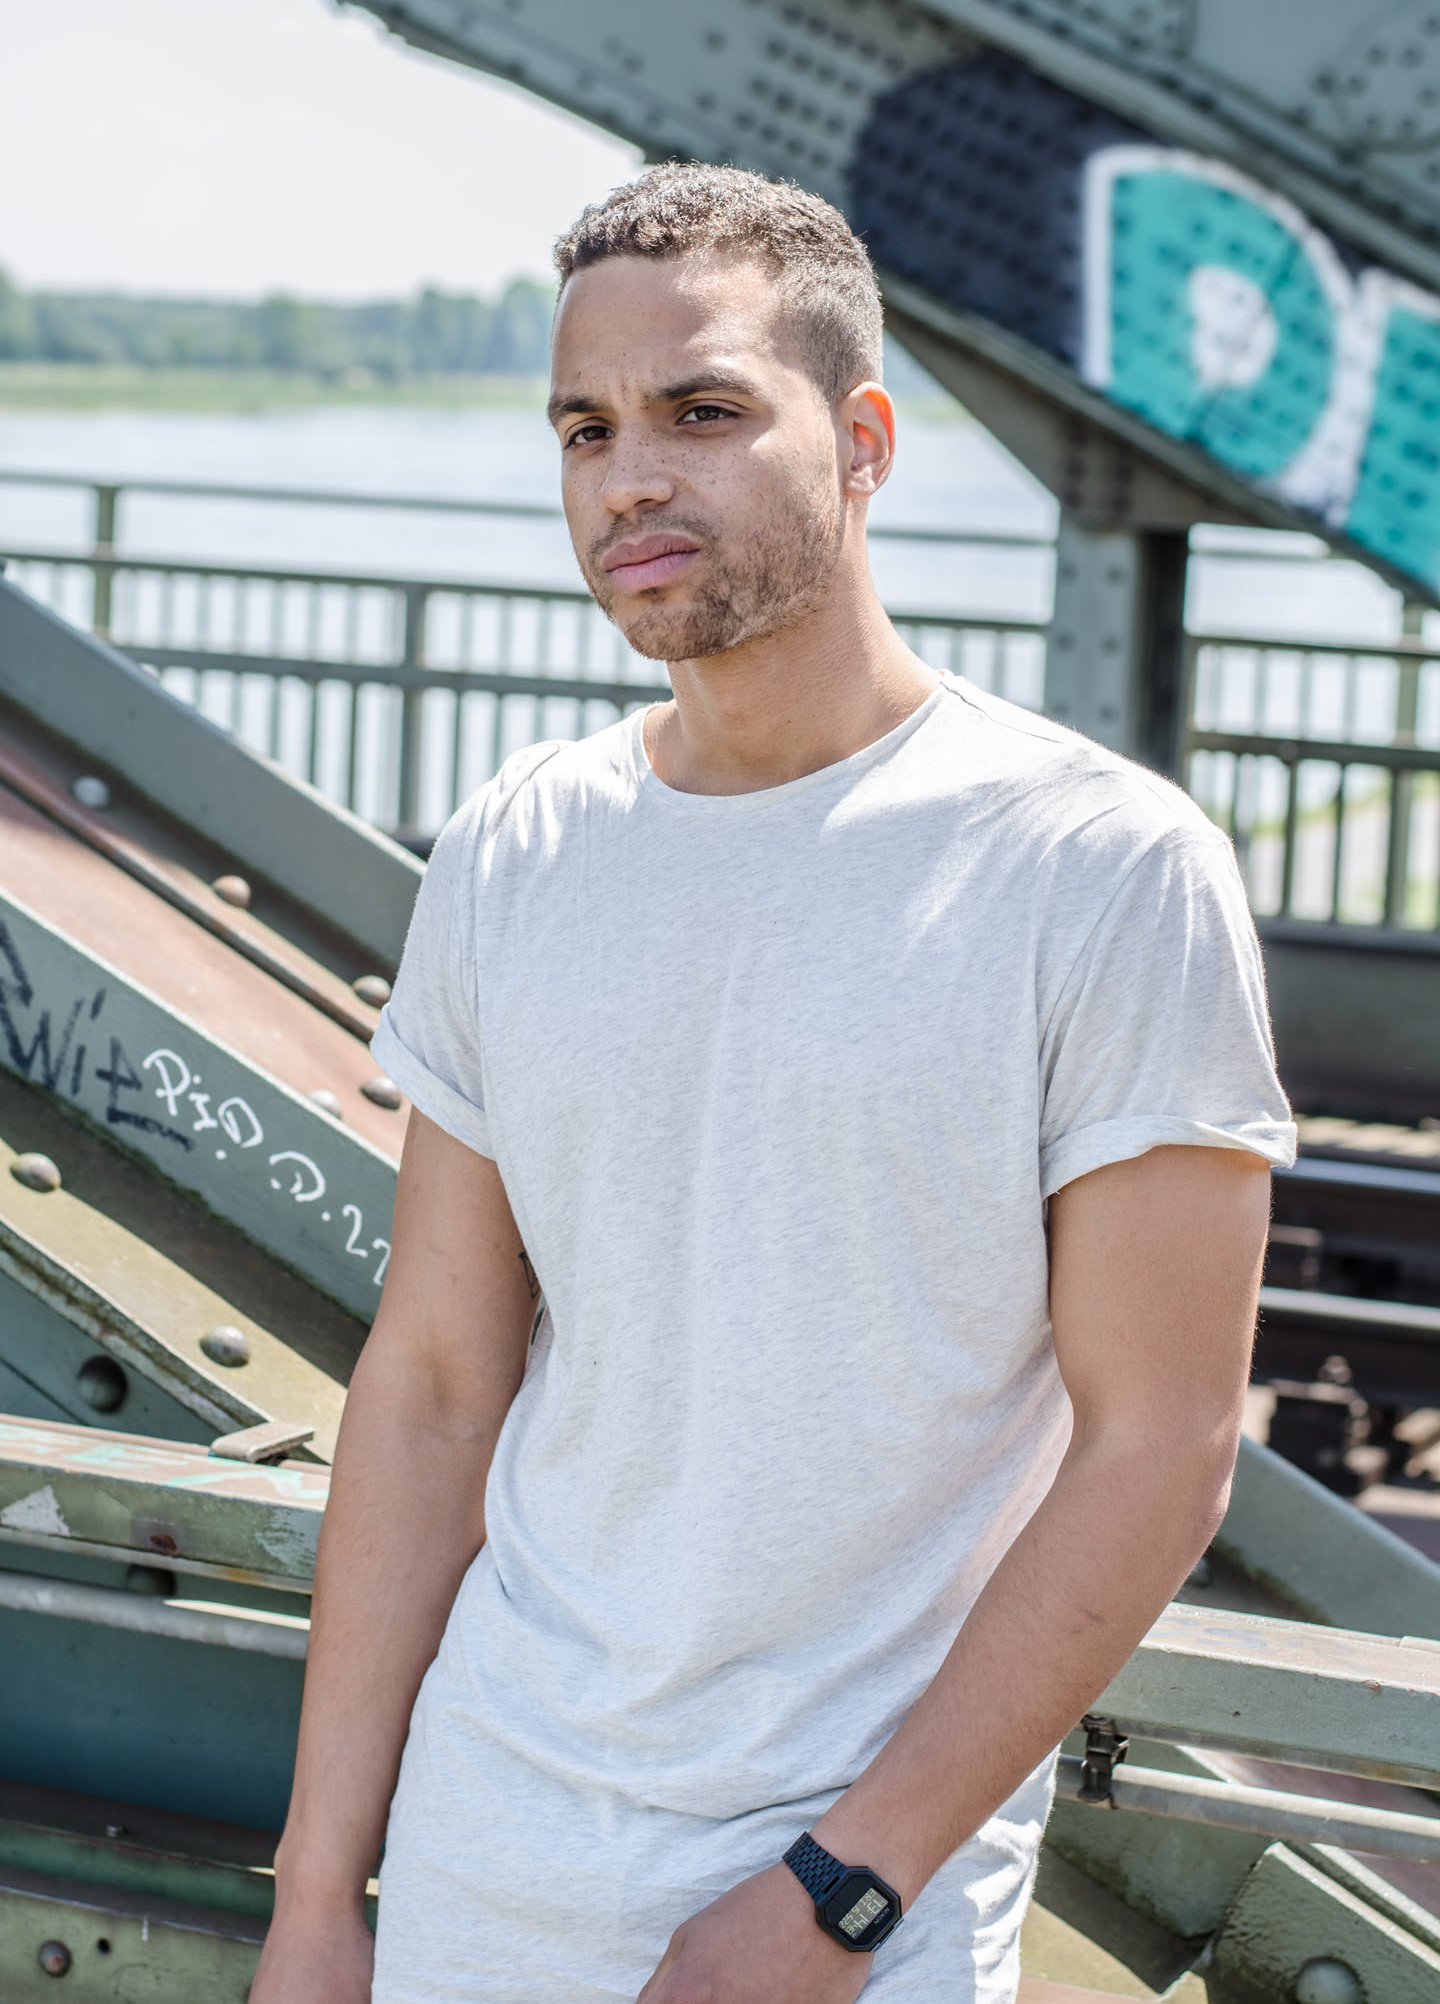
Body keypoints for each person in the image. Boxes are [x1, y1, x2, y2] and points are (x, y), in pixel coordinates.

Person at [251, 164, 1294, 2004]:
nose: (627, 478)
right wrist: (320, 1892)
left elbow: (1164, 1444)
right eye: (586, 428)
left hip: (842, 1919)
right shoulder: (520, 842)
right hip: (485, 1858)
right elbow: (431, 1386)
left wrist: (840, 1893)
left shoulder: (1100, 867)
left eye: (703, 410)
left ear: (862, 442)